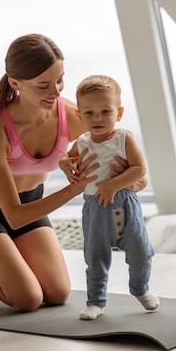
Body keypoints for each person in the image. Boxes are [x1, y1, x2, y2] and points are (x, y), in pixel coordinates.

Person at [0, 34, 145, 312]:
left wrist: (126, 180)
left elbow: (137, 174)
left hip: (32, 203)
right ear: (15, 83)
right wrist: (72, 189)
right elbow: (13, 215)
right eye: (44, 85)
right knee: (27, 299)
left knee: (58, 294)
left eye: (60, 80)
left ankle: (0, 259)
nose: (56, 92)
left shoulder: (72, 115)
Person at [68, 75, 159, 320]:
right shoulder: (82, 141)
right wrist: (65, 164)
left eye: (105, 111)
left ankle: (140, 289)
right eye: (89, 113)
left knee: (141, 252)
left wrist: (113, 185)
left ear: (118, 113)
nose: (97, 118)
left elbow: (139, 169)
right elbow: (67, 159)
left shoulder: (123, 138)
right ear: (79, 116)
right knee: (95, 257)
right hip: (94, 209)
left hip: (126, 205)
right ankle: (96, 301)